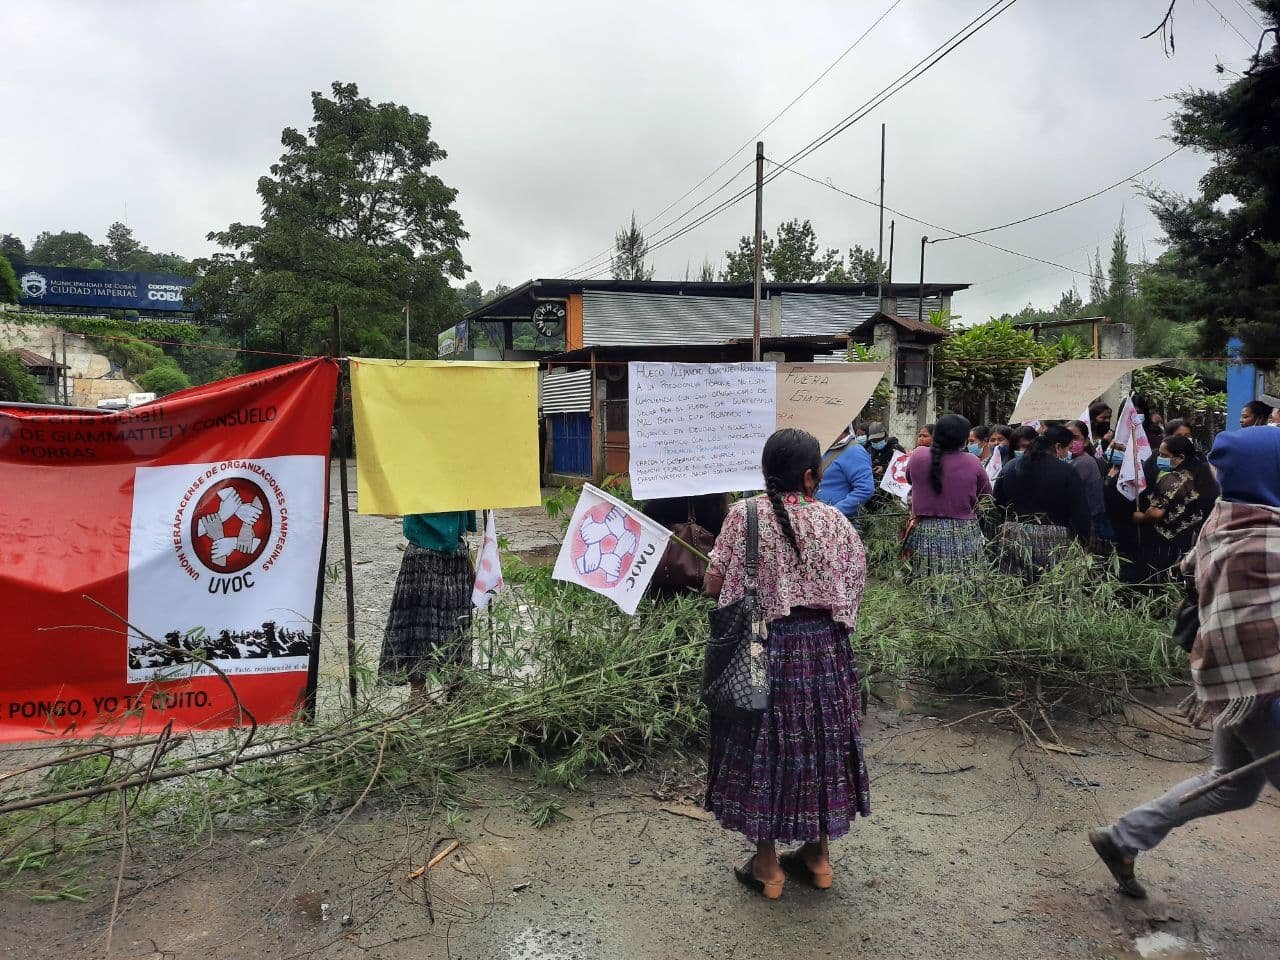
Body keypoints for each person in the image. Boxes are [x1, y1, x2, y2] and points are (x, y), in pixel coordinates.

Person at [1089, 425, 1280, 899]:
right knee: (1230, 782)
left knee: (1231, 783)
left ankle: (1123, 837)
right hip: (1264, 689)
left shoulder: (1227, 515)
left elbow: (1187, 567)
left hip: (1227, 677)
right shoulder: (1267, 537)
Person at [703, 429, 871, 900]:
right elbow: (855, 583)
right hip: (825, 653)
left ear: (766, 472)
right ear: (811, 475)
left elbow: (717, 587)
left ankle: (768, 867)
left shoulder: (743, 515)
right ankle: (818, 859)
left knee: (764, 751)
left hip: (761, 650)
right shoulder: (836, 520)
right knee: (821, 748)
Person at [381, 510, 476, 699]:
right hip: (424, 550)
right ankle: (419, 693)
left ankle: (454, 684)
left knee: (454, 621)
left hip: (450, 551)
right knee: (421, 622)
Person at [903, 414, 992, 588]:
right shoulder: (973, 462)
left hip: (925, 531)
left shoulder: (918, 455)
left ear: (935, 435)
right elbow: (987, 495)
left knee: (929, 584)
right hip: (963, 533)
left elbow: (909, 479)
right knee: (963, 586)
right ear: (963, 440)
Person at [993, 425, 1091, 580]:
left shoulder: (1010, 467)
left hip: (1015, 539)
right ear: (1057, 447)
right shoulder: (1066, 471)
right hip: (1054, 541)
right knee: (1051, 591)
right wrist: (1084, 540)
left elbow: (997, 502)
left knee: (1016, 592)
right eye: (1068, 449)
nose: (1069, 453)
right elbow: (1079, 510)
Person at [1131, 435, 1220, 577]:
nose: (1159, 458)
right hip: (1193, 537)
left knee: (1164, 576)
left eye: (1164, 455)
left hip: (1169, 542)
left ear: (1181, 457)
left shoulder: (1172, 479)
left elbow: (1155, 514)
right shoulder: (1202, 472)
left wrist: (1140, 517)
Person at [816, 426, 875, 520]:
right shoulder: (828, 448)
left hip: (838, 521)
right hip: (820, 517)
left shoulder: (855, 452)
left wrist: (834, 512)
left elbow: (865, 489)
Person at [1067, 419, 1110, 543]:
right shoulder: (1074, 460)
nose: (1071, 442)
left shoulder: (1084, 462)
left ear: (1085, 441)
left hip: (1088, 522)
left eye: (1075, 438)